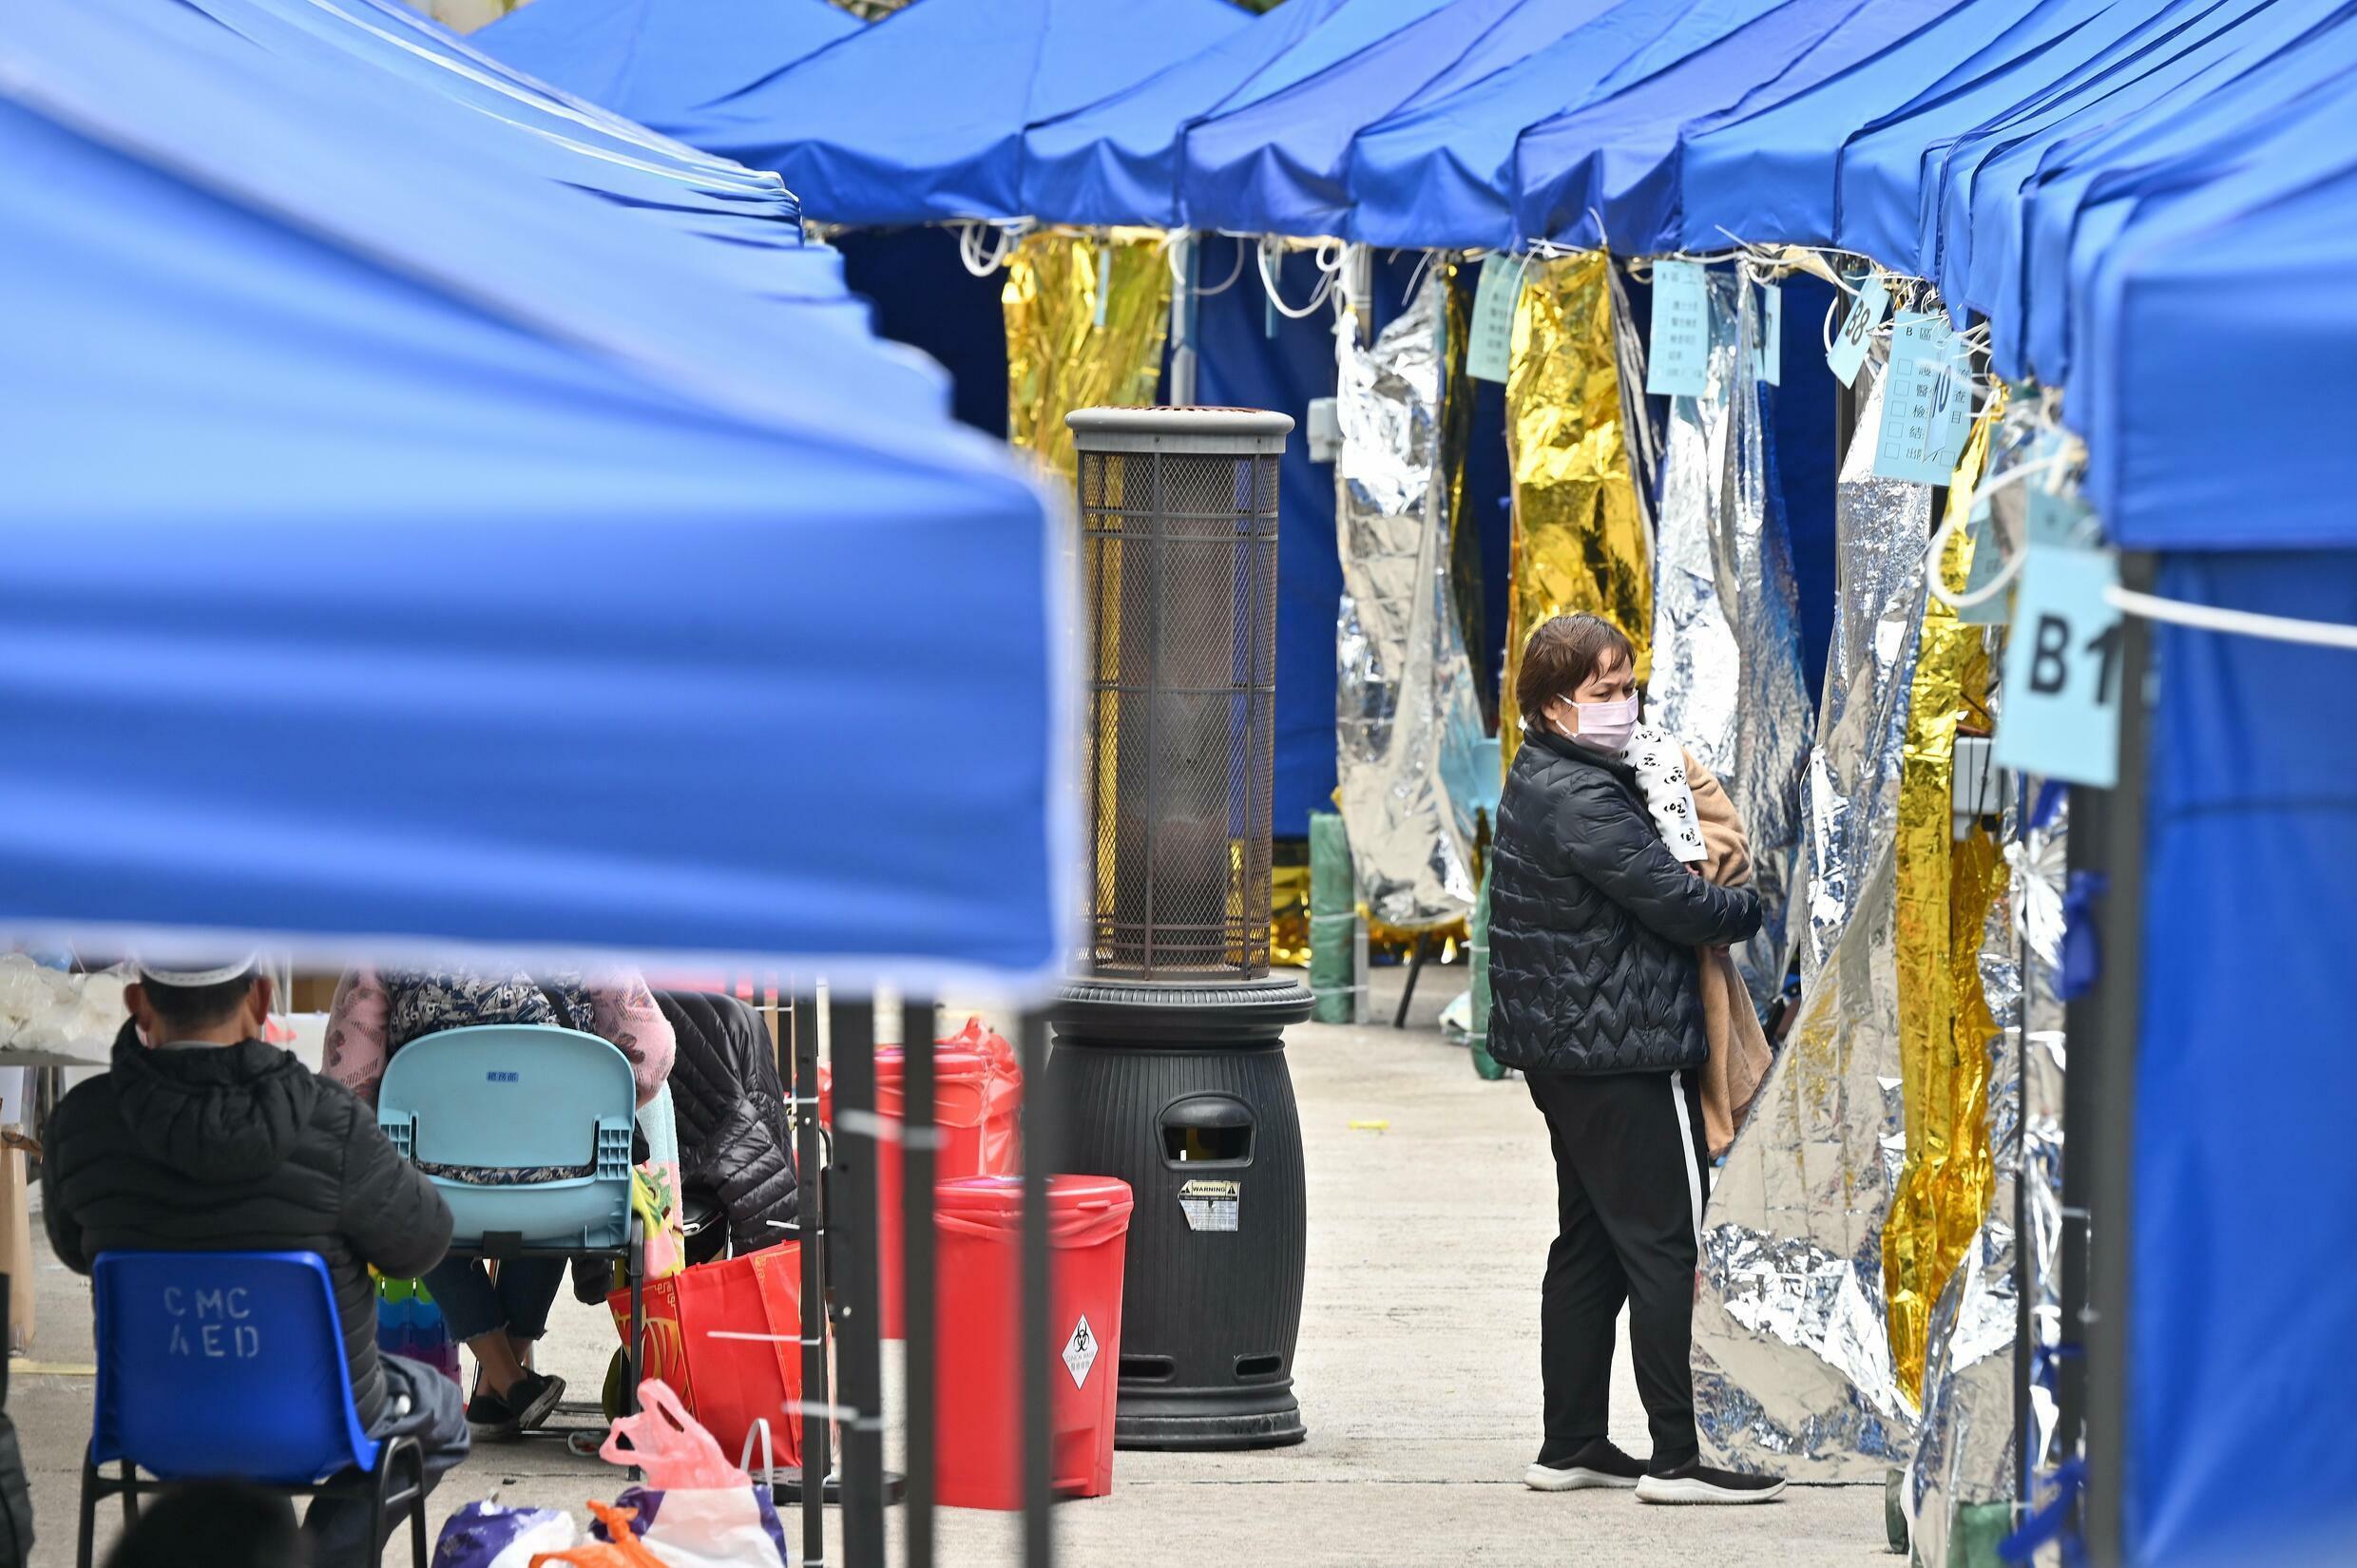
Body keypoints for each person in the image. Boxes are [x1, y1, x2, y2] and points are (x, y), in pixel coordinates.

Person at [1488, 615, 1786, 1505]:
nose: (1625, 707)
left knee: (1594, 1245)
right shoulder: (1582, 797)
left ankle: (1572, 1441)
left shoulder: (1552, 775)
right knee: (1664, 1245)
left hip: (1573, 1049)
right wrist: (1748, 907)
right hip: (1620, 1049)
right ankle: (1679, 1456)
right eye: (1605, 693)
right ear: (1552, 706)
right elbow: (1679, 903)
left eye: (1630, 688)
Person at [44, 959, 467, 1566]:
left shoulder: (80, 1123)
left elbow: (71, 1247)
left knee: (241, 1427)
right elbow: (422, 1244)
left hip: (154, 1418)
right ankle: (311, 1558)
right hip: (321, 1420)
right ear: (262, 998)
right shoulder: (333, 1119)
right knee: (442, 1407)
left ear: (138, 1002)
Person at [323, 966, 675, 1439]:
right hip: (568, 1196)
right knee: (556, 1172)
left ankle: (502, 1383)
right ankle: (504, 1386)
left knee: (406, 1186)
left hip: (433, 1192)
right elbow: (651, 1056)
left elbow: (349, 1084)